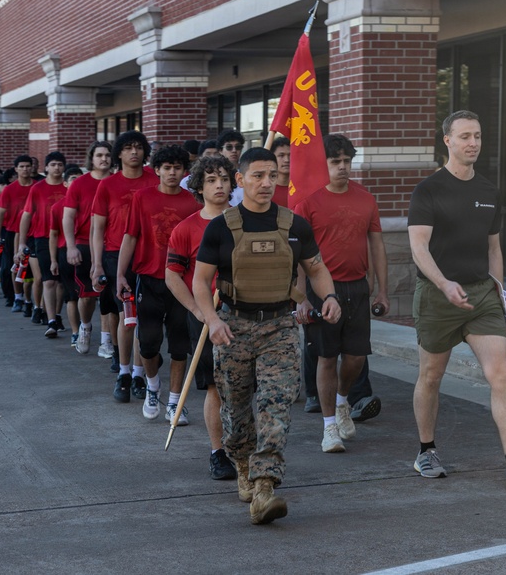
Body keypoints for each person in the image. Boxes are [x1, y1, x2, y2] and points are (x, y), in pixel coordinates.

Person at [193, 147, 341, 525]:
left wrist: (329, 296)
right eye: (257, 176)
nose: (265, 183)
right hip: (233, 327)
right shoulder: (221, 227)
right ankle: (242, 463)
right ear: (240, 181)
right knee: (236, 410)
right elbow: (200, 281)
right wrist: (212, 320)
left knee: (275, 406)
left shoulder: (295, 225)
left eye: (272, 175)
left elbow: (317, 268)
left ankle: (264, 485)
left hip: (280, 326)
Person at [407, 110, 506, 489]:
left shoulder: (488, 190)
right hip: (438, 296)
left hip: (481, 294)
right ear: (448, 141)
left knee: (501, 372)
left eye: (477, 136)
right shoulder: (429, 190)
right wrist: (443, 284)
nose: (472, 143)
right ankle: (426, 450)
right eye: (465, 136)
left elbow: (493, 248)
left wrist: (498, 290)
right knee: (431, 375)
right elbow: (418, 246)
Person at [295, 134, 389, 453]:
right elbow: (298, 253)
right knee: (326, 357)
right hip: (322, 289)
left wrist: (382, 290)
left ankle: (342, 402)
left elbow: (377, 244)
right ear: (324, 165)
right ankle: (328, 428)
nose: (343, 167)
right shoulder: (307, 202)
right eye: (335, 162)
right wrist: (302, 297)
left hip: (358, 286)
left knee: (356, 357)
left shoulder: (366, 198)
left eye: (347, 161)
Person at [166, 155, 237, 479]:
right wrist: (198, 311)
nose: (219, 184)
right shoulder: (186, 228)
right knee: (214, 387)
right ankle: (218, 451)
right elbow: (173, 275)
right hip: (207, 315)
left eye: (224, 178)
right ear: (199, 187)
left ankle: (244, 445)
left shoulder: (244, 222)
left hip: (245, 313)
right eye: (211, 180)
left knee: (245, 386)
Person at [117, 145, 200, 421]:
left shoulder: (192, 202)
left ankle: (175, 402)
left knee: (179, 346)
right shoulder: (142, 198)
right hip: (149, 280)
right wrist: (120, 274)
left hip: (181, 283)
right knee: (148, 344)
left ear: (184, 171)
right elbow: (130, 237)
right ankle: (153, 387)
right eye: (167, 168)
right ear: (157, 170)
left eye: (177, 167)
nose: (172, 172)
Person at [90, 131, 159, 402]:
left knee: (144, 319)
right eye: (128, 148)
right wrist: (96, 265)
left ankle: (141, 375)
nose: (134, 152)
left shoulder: (155, 180)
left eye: (139, 148)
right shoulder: (107, 185)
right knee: (126, 317)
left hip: (150, 255)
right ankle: (124, 372)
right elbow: (98, 228)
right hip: (115, 255)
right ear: (119, 153)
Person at [63, 141, 115, 354]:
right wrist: (71, 246)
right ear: (91, 158)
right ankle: (85, 326)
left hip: (111, 245)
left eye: (108, 155)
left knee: (108, 296)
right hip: (84, 244)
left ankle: (106, 341)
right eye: (99, 155)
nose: (104, 159)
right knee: (86, 296)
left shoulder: (115, 183)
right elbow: (68, 217)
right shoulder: (79, 184)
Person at [17, 152, 69, 335]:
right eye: (53, 164)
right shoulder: (37, 188)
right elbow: (26, 215)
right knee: (48, 280)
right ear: (45, 167)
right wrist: (22, 242)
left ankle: (56, 313)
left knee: (62, 283)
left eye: (60, 164)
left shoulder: (69, 187)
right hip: (42, 239)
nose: (57, 168)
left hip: (65, 239)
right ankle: (51, 321)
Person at [0, 155, 35, 315]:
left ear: (32, 168)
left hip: (35, 233)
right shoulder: (9, 190)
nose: (25, 169)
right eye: (22, 166)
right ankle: (17, 298)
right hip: (12, 233)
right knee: (15, 267)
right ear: (16, 169)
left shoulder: (37, 187)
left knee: (33, 271)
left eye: (27, 166)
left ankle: (31, 301)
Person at [49, 166, 84, 343]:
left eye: (80, 178)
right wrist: (54, 260)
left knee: (87, 296)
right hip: (66, 253)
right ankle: (76, 332)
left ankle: (87, 328)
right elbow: (53, 235)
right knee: (72, 295)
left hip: (87, 251)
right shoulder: (57, 207)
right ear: (65, 183)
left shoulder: (89, 203)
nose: (76, 182)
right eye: (72, 179)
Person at [217, 130, 246, 206]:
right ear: (220, 150)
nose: (234, 150)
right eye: (229, 147)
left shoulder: (247, 173)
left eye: (238, 147)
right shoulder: (214, 174)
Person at [270, 136, 290, 206]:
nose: (287, 160)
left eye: (290, 155)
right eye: (281, 155)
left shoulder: (301, 190)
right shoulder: (266, 189)